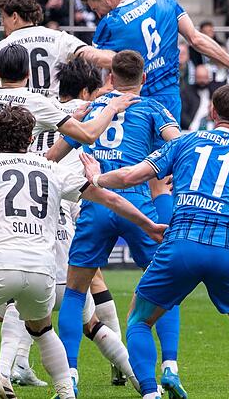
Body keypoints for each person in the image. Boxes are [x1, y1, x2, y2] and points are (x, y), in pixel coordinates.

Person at [0, 44, 136, 397]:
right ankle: (96, 386)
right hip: (50, 251)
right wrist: (109, 106)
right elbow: (86, 147)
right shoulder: (50, 140)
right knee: (56, 324)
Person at [83, 84, 229, 399]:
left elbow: (132, 176)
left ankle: (150, 392)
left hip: (182, 243)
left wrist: (96, 178)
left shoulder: (185, 141)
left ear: (213, 112)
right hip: (227, 249)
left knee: (139, 319)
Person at [79, 0, 229, 234]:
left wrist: (83, 52)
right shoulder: (166, 2)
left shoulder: (111, 24)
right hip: (168, 103)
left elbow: (110, 66)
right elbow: (198, 40)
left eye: (97, 9)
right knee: (162, 179)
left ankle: (156, 239)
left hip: (134, 105)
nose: (99, 15)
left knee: (123, 174)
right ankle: (178, 235)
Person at [45, 50, 184, 395]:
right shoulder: (152, 107)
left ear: (110, 78)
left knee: (76, 290)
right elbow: (178, 144)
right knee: (165, 287)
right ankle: (169, 365)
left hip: (95, 202)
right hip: (135, 202)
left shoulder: (94, 109)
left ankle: (71, 375)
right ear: (144, 79)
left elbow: (52, 157)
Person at [0, 0, 115, 100]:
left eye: (2, 18)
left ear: (14, 16)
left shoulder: (1, 47)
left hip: (17, 120)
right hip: (56, 119)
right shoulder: (60, 38)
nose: (2, 24)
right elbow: (98, 57)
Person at [181, 64, 225, 130]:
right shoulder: (187, 92)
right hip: (192, 127)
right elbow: (182, 113)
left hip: (213, 126)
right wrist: (190, 126)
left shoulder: (216, 90)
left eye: (204, 77)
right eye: (199, 77)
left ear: (209, 77)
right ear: (194, 77)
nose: (202, 81)